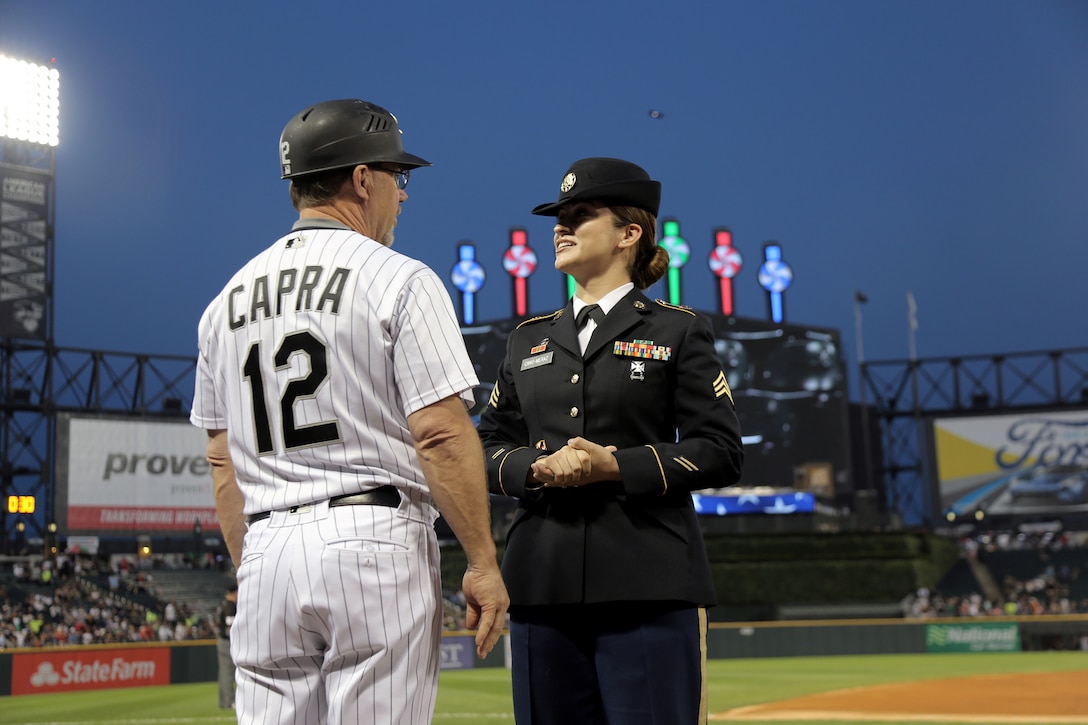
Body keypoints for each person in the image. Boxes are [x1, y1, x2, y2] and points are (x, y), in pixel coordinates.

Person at [190, 98, 508, 725]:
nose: (403, 194)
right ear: (363, 179)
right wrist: (481, 561)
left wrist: (255, 562)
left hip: (264, 549)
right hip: (371, 540)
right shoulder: (401, 279)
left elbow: (222, 460)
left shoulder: (223, 303)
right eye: (398, 176)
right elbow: (442, 434)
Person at [477, 157, 745, 724]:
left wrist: (616, 467)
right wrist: (535, 468)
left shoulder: (678, 329)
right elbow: (485, 448)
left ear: (630, 233)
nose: (560, 227)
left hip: (646, 581)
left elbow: (721, 449)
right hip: (541, 583)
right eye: (559, 217)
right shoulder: (526, 340)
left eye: (580, 215)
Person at [215, 583, 237, 710]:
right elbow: (230, 626)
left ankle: (224, 702)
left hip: (222, 641)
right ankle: (229, 701)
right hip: (227, 642)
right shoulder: (230, 606)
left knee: (224, 672)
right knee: (228, 672)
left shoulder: (225, 604)